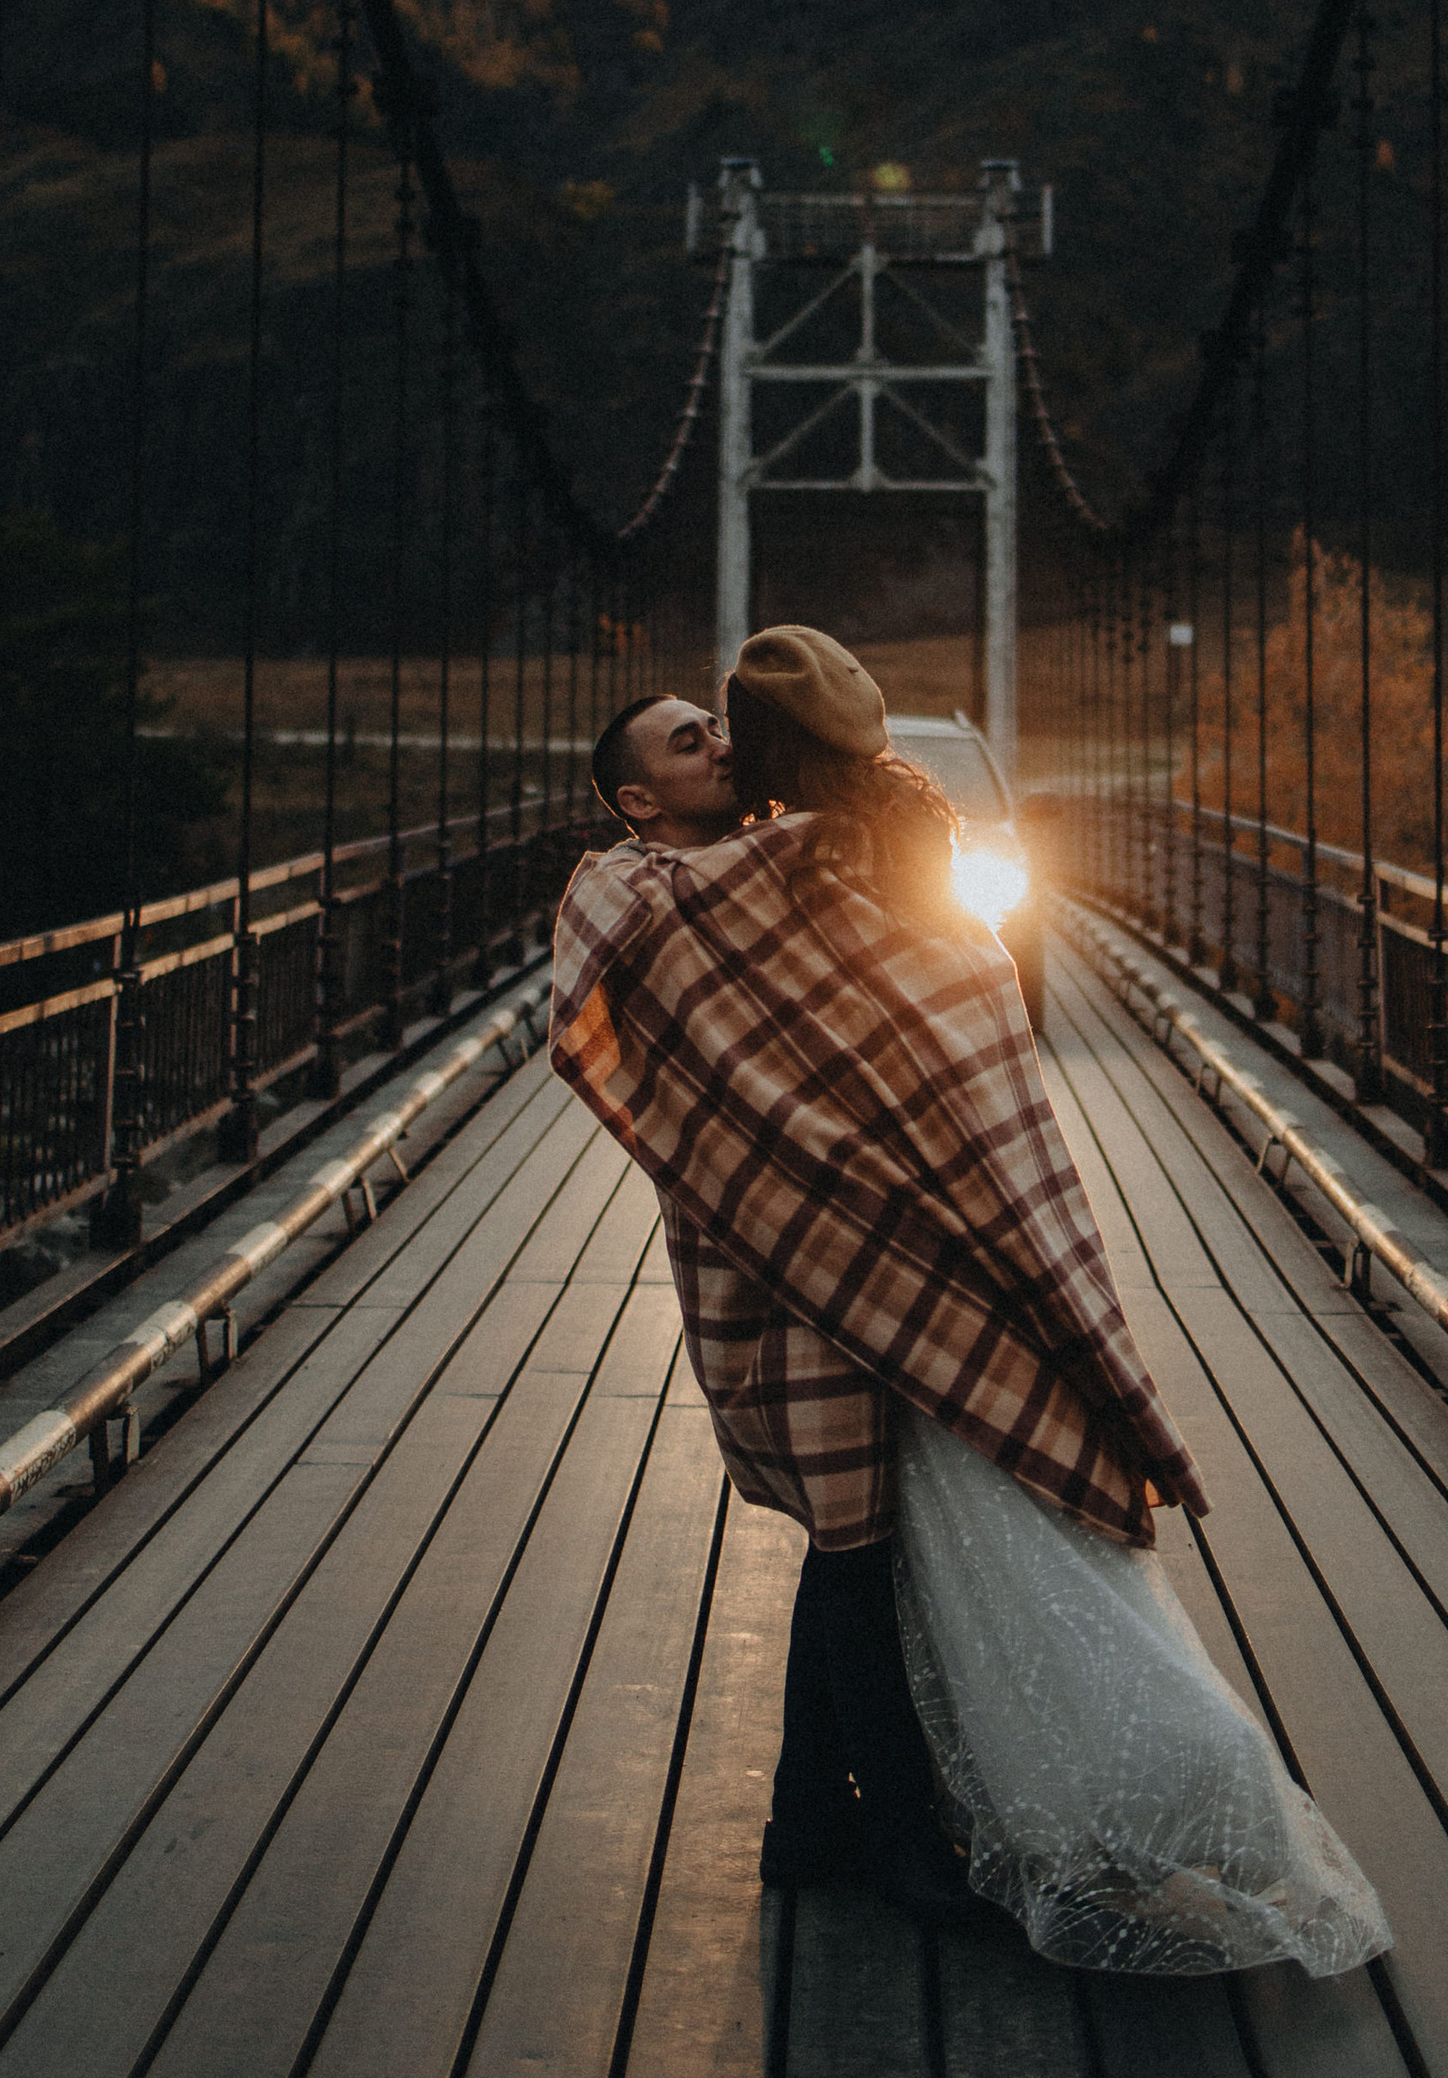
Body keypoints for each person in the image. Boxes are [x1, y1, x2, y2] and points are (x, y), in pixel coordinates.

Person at [552, 627, 1390, 1979]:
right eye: (683, 738)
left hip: (894, 1237)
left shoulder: (803, 862)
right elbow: (659, 1018)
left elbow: (929, 1009)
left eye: (716, 726)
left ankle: (814, 1821)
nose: (711, 741)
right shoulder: (645, 889)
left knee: (856, 1537)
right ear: (640, 796)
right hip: (769, 1252)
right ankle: (870, 1834)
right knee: (851, 1535)